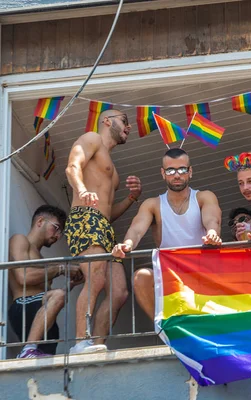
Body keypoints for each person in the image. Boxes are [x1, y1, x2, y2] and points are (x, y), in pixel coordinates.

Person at [64, 109, 142, 354]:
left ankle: (95, 345)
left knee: (119, 292)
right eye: (124, 120)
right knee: (95, 276)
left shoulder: (113, 169)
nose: (128, 126)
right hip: (85, 217)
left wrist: (131, 198)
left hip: (103, 227)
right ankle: (80, 342)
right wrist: (82, 190)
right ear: (107, 121)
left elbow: (109, 213)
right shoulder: (91, 138)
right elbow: (72, 167)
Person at [112, 148, 222, 319]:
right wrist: (127, 245)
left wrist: (213, 233)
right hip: (170, 276)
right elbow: (136, 229)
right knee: (141, 277)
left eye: (182, 169)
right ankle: (163, 328)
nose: (176, 175)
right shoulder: (152, 204)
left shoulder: (203, 197)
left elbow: (212, 220)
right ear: (163, 173)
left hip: (202, 272)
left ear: (190, 171)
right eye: (171, 170)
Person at [8, 205, 82, 358]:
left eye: (61, 232)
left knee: (43, 374)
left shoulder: (42, 260)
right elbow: (23, 278)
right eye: (56, 228)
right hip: (24, 307)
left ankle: (29, 349)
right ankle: (28, 349)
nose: (58, 235)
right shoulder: (20, 240)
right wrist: (61, 269)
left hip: (43, 322)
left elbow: (50, 299)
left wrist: (71, 284)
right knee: (58, 295)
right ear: (40, 221)